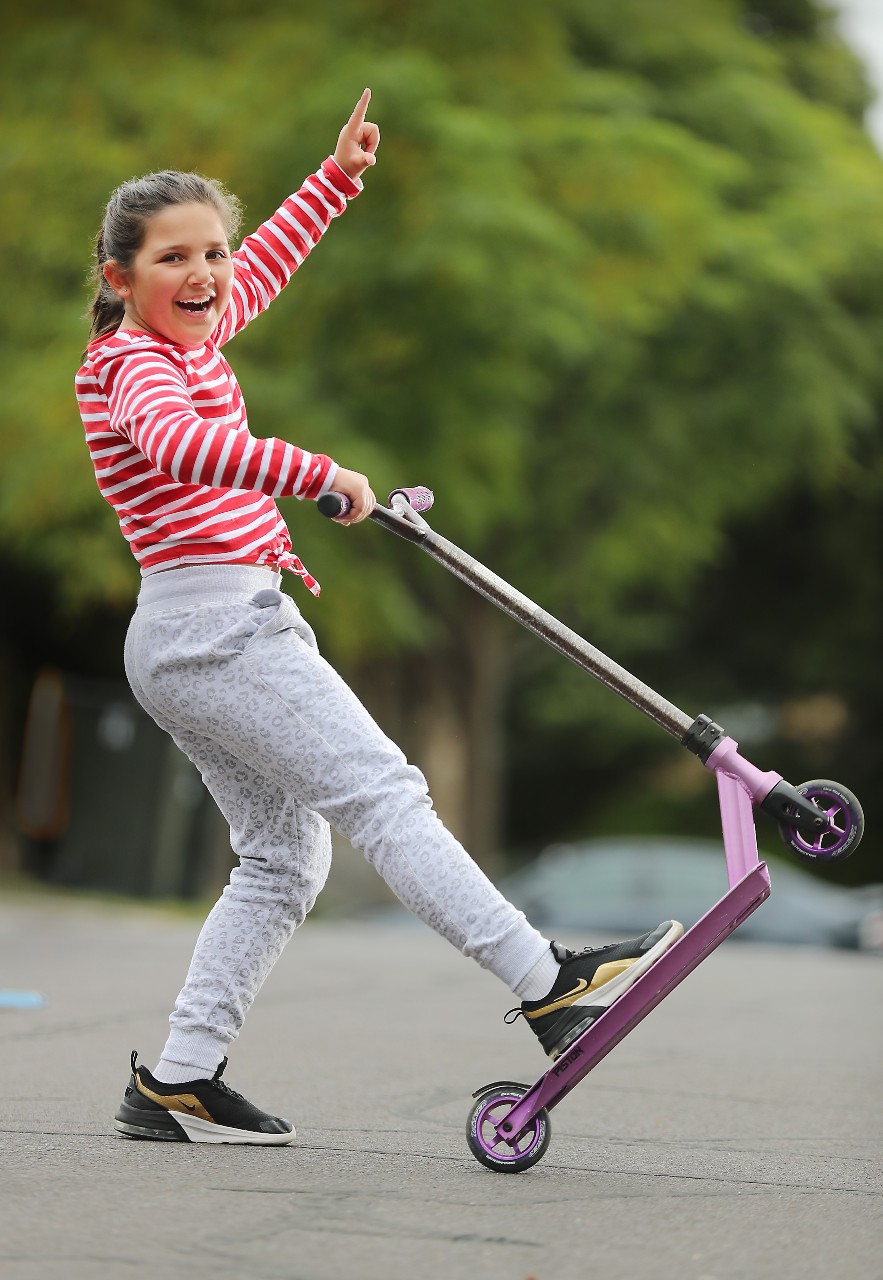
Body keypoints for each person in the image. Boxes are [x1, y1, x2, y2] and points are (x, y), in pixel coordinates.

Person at [75, 89, 683, 1146]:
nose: (206, 274)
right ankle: (546, 981)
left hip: (189, 635)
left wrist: (338, 176)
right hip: (215, 629)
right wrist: (317, 471)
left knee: (282, 856)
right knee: (383, 792)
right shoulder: (131, 365)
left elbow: (266, 264)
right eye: (173, 258)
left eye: (210, 253)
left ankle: (176, 1073)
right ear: (119, 277)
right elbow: (179, 445)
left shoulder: (198, 336)